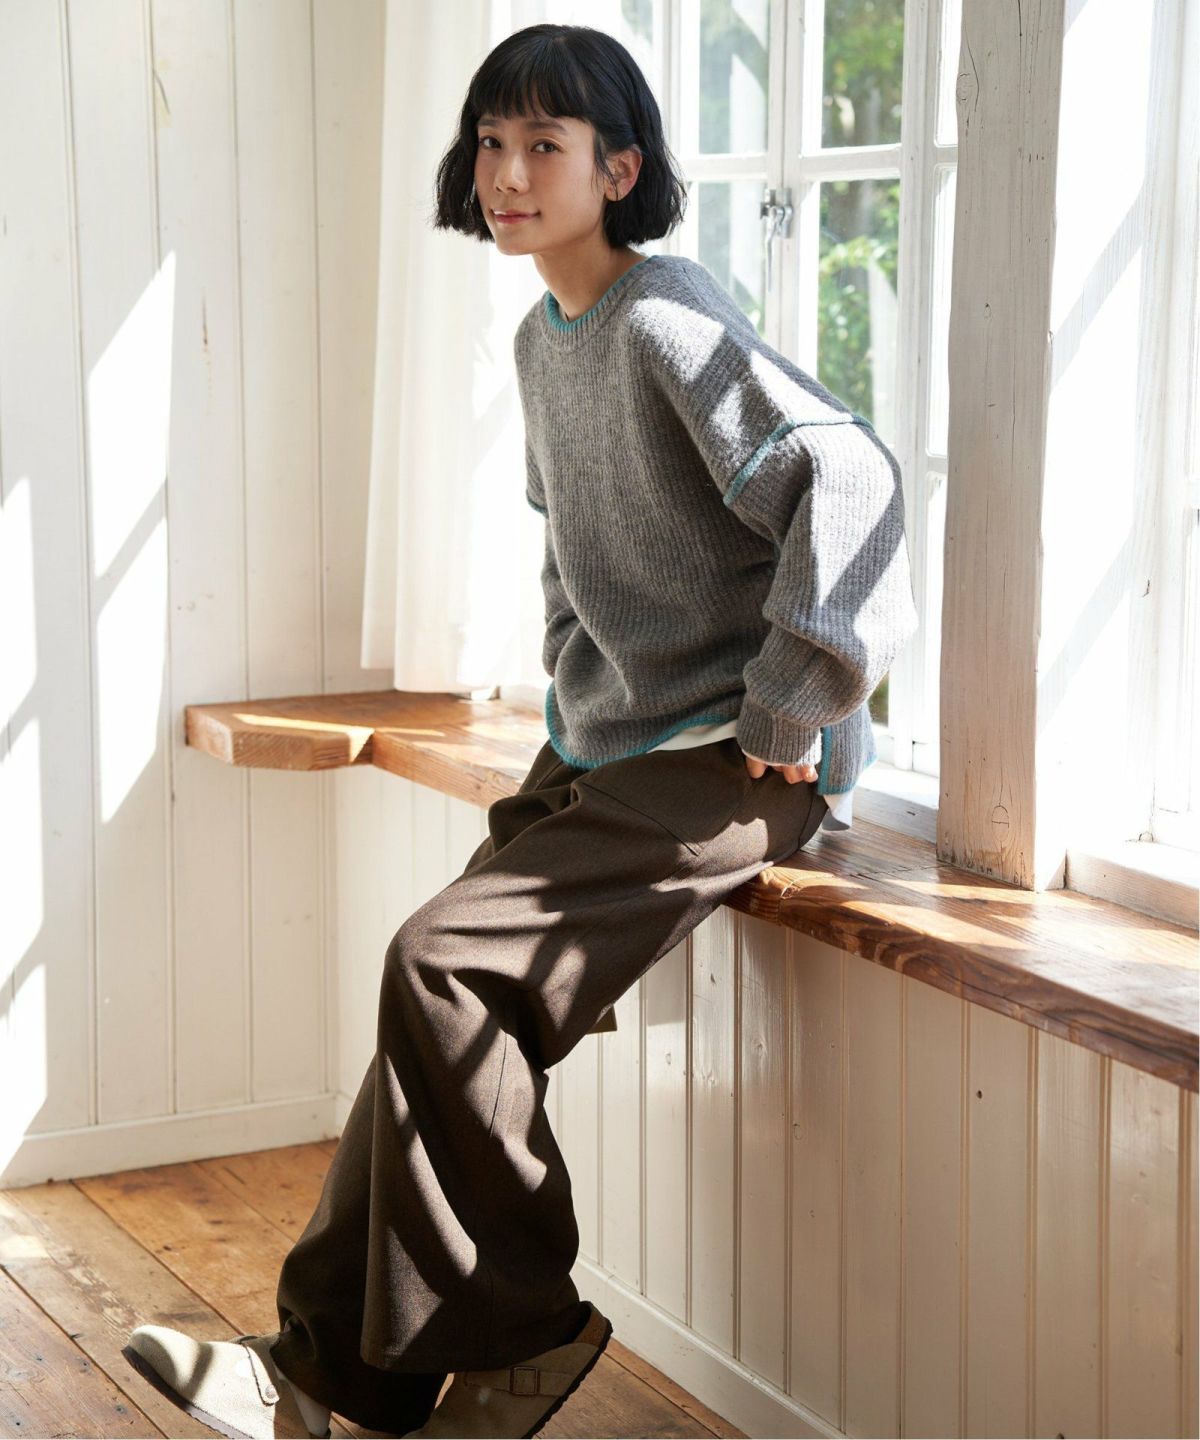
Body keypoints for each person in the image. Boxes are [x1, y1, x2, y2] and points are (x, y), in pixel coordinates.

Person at [122, 21, 919, 1440]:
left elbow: (849, 473)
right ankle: (324, 1375)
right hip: (614, 744)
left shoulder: (663, 314)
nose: (506, 172)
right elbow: (573, 550)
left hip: (732, 761)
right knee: (434, 1018)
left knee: (435, 963)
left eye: (545, 144)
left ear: (619, 169)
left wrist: (792, 705)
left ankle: (528, 1337)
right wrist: (570, 675)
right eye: (492, 141)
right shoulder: (544, 339)